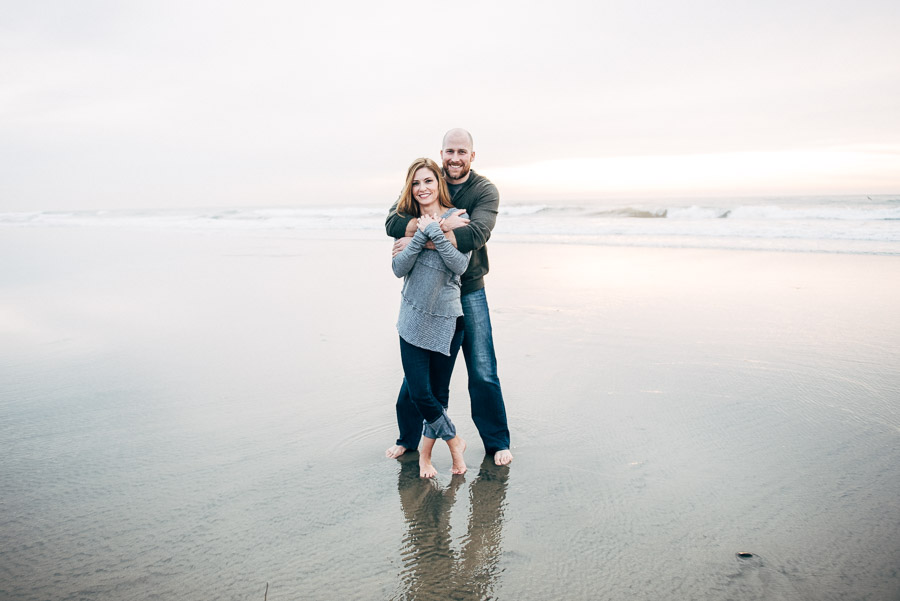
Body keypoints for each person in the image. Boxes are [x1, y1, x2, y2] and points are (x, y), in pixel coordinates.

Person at [385, 129, 513, 467]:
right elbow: (393, 221)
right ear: (441, 153)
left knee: (482, 368)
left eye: (462, 151)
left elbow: (475, 234)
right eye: (449, 151)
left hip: (469, 288)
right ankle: (407, 439)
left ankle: (497, 443)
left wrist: (423, 236)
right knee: (415, 376)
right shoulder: (429, 178)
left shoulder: (484, 190)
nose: (454, 158)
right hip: (429, 293)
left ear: (472, 156)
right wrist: (431, 225)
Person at [391, 157, 470, 478]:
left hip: (448, 319)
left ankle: (425, 456)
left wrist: (431, 234)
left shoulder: (458, 219)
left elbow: (459, 265)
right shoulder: (406, 222)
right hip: (411, 317)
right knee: (419, 393)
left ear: (439, 183)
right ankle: (454, 442)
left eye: (428, 181)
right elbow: (398, 268)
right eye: (416, 183)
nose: (422, 188)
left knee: (438, 394)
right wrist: (423, 236)